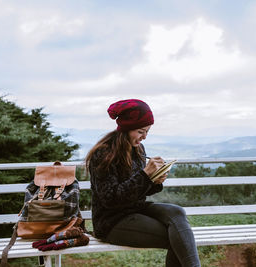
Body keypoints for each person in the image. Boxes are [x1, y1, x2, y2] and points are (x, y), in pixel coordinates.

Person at [85, 99, 201, 267]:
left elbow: (139, 189)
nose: (144, 137)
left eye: (147, 131)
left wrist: (155, 180)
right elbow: (110, 199)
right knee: (179, 239)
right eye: (141, 131)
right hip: (112, 221)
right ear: (126, 128)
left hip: (135, 209)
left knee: (176, 212)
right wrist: (146, 175)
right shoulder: (104, 153)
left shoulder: (137, 149)